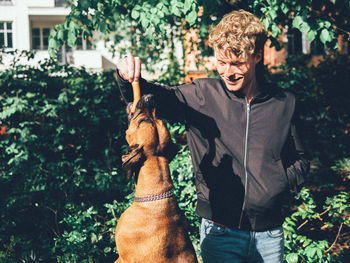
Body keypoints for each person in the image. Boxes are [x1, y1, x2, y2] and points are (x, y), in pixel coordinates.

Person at [115, 9, 310, 263]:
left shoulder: (284, 103)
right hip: (221, 233)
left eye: (237, 63)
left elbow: (301, 158)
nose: (228, 72)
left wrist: (278, 184)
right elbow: (152, 97)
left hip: (269, 234)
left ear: (258, 56)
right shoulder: (202, 96)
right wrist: (125, 76)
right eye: (221, 62)